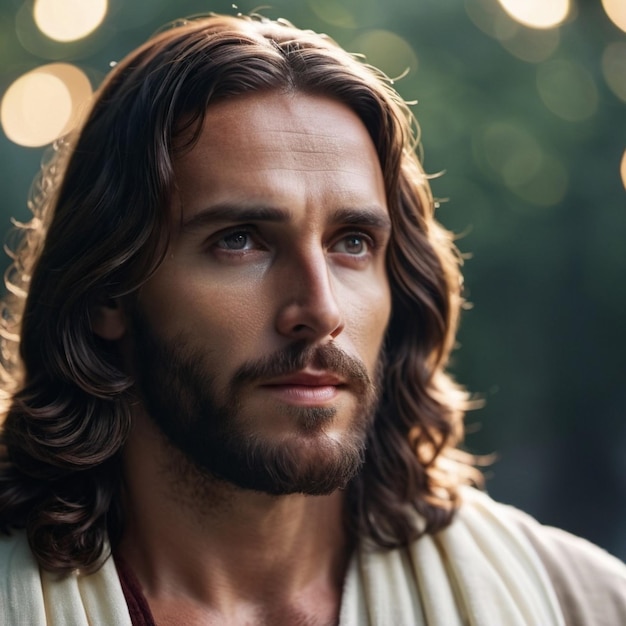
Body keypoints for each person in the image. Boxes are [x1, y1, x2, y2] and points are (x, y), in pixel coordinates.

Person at [0, 14, 624, 626]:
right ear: (108, 290)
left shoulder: (577, 604)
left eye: (351, 242)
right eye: (241, 240)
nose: (320, 310)